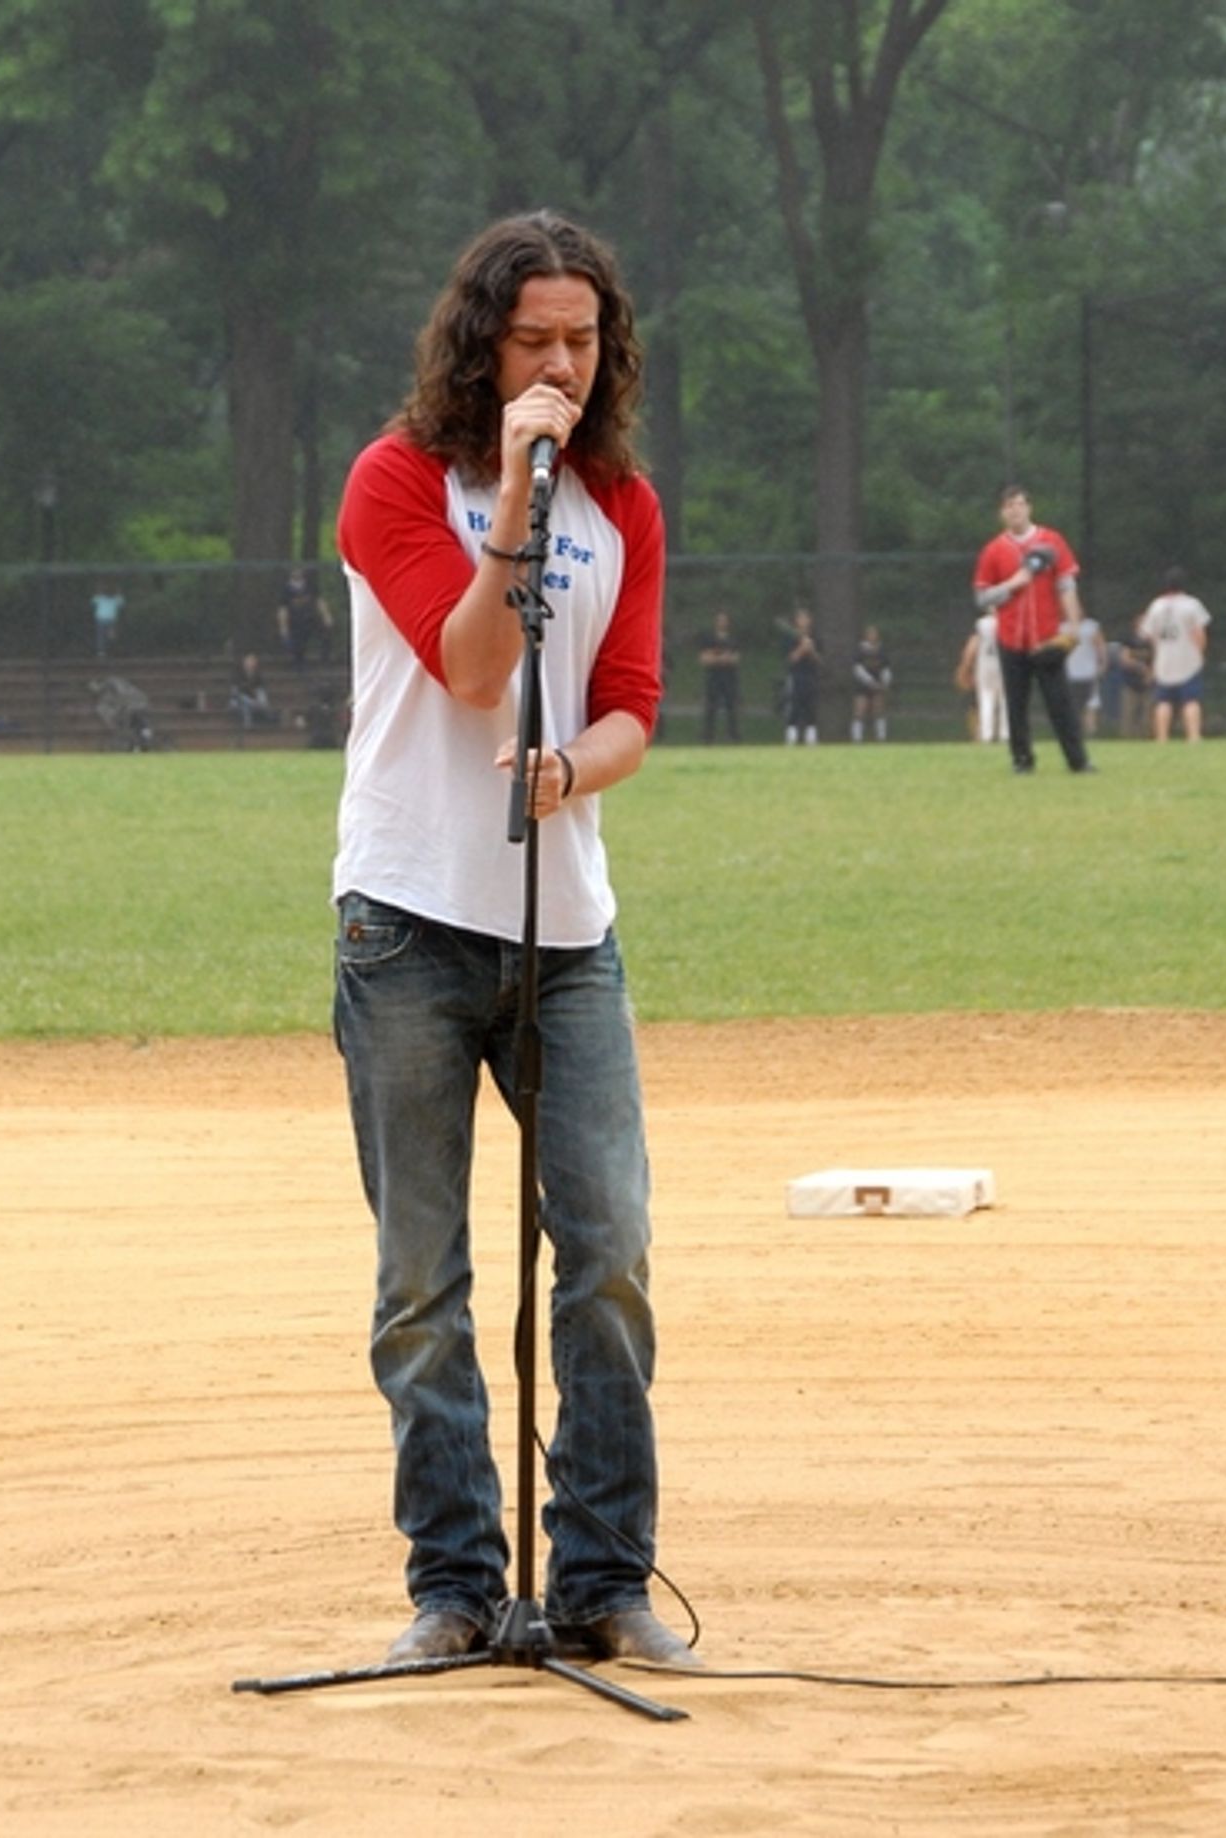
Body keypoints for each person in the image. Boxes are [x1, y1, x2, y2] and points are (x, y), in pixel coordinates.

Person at [331, 210, 692, 1671]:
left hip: (567, 932)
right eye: (532, 337)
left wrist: (570, 769)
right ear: (479, 345)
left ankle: (602, 1581)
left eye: (581, 340)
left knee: (607, 1254)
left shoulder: (626, 504)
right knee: (423, 1283)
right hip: (408, 922)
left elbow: (630, 708)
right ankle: (457, 1586)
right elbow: (476, 665)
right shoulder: (394, 480)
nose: (558, 364)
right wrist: (516, 502)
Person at [972, 484, 1094, 775]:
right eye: (1009, 506)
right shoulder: (994, 550)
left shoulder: (1051, 541)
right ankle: (1022, 760)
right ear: (1002, 513)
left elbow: (1066, 585)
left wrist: (1074, 626)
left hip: (1046, 638)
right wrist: (1013, 583)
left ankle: (1077, 761)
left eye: (1019, 504)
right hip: (1011, 637)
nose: (1015, 510)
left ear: (1029, 507)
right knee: (1016, 704)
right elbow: (982, 597)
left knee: (1060, 702)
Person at [1139, 567, 1211, 742]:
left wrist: (1157, 653)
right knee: (1191, 700)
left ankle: (1162, 737)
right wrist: (1201, 653)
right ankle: (1193, 736)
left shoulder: (1156, 605)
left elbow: (1149, 635)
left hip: (1164, 659)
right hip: (1188, 658)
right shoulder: (1192, 604)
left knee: (1163, 701)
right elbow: (1199, 633)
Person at [955, 610, 1009, 744]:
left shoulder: (982, 624)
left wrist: (965, 668)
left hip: (985, 665)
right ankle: (1006, 734)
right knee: (1006, 700)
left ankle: (986, 735)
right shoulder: (1008, 621)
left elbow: (972, 647)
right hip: (1004, 664)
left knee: (986, 699)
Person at [277, 566, 335, 668]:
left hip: (311, 618)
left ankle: (325, 660)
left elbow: (319, 601)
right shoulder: (286, 589)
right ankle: (299, 664)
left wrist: (326, 616)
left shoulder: (310, 585)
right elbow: (283, 609)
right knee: (298, 644)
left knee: (325, 635)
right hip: (295, 621)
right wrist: (283, 627)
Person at [698, 610, 741, 742]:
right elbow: (704, 658)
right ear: (716, 622)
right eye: (720, 620)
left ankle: (733, 736)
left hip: (729, 678)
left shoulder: (733, 639)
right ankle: (708, 737)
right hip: (713, 678)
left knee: (731, 707)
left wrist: (723, 658)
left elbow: (736, 658)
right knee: (711, 707)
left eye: (724, 620)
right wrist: (721, 659)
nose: (722, 622)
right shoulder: (708, 638)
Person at [780, 606, 821, 745]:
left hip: (811, 676)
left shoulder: (815, 637)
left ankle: (811, 739)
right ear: (796, 621)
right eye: (800, 618)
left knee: (811, 708)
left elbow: (819, 661)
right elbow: (790, 659)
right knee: (794, 707)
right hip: (796, 676)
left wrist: (812, 650)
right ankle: (791, 739)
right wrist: (802, 649)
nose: (803, 621)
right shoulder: (790, 638)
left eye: (806, 618)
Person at [1064, 610, 1107, 738]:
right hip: (1069, 672)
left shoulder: (1091, 626)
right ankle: (1072, 732)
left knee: (1090, 704)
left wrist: (1103, 663)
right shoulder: (1062, 626)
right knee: (1071, 704)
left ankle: (1090, 732)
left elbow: (1100, 646)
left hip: (1088, 672)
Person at [850, 625, 891, 741]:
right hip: (863, 685)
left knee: (879, 711)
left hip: (879, 684)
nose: (872, 636)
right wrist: (870, 682)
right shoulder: (860, 650)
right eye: (870, 633)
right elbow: (857, 668)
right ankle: (857, 739)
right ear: (866, 635)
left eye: (874, 633)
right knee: (859, 711)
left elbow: (886, 668)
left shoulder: (881, 650)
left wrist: (885, 682)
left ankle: (881, 738)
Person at [1117, 611, 1154, 740]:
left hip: (1149, 683)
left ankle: (1146, 738)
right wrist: (1141, 668)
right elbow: (1124, 659)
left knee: (1148, 714)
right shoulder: (1129, 639)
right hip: (1130, 682)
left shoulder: (1153, 640)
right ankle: (1127, 738)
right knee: (1128, 713)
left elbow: (1159, 658)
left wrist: (1151, 674)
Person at [228, 652, 279, 729]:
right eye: (249, 661)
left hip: (252, 697)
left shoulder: (258, 674)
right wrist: (249, 690)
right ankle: (261, 711)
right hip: (239, 698)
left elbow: (261, 686)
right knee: (243, 700)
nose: (250, 664)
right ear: (244, 662)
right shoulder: (238, 672)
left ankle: (249, 722)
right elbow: (237, 689)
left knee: (257, 697)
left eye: (253, 662)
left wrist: (255, 694)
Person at [91, 584, 124, 659]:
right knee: (101, 636)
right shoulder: (100, 598)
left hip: (111, 621)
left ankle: (111, 650)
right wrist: (99, 590)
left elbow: (121, 603)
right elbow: (93, 601)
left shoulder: (115, 599)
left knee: (112, 636)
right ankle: (101, 652)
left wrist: (119, 592)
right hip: (101, 620)